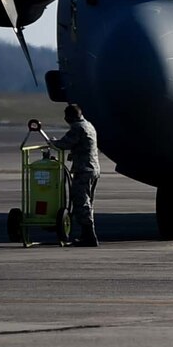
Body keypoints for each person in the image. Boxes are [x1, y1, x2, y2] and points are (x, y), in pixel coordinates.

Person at [48, 103, 101, 245]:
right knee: (88, 202)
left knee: (81, 202)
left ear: (69, 117)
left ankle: (89, 236)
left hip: (84, 170)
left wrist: (52, 142)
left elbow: (64, 144)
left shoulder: (78, 128)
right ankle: (87, 234)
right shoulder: (88, 125)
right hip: (92, 168)